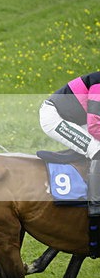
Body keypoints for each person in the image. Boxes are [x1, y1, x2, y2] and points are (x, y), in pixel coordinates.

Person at [40, 72, 100, 257]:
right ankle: (96, 204)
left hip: (78, 120)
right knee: (97, 150)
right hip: (55, 117)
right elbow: (94, 126)